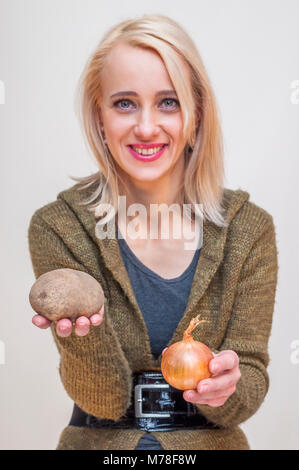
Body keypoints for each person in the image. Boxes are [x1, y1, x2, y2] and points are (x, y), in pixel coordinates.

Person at [28, 14, 278, 450]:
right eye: (124, 103)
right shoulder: (60, 227)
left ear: (196, 113)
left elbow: (250, 381)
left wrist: (229, 385)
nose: (146, 127)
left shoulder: (247, 229)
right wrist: (82, 341)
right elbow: (101, 400)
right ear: (99, 116)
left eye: (169, 102)